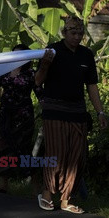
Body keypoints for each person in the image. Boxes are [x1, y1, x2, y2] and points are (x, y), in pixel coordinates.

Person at [35, 17, 107, 214]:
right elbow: (38, 80)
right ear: (64, 33)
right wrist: (45, 65)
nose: (76, 37)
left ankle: (67, 199)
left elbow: (92, 86)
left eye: (79, 34)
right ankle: (47, 193)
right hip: (54, 110)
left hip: (77, 111)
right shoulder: (52, 50)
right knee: (56, 154)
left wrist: (100, 111)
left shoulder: (86, 55)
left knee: (77, 156)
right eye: (72, 33)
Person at [0, 44, 41, 193]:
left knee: (24, 149)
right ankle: (4, 184)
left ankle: (35, 186)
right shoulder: (4, 72)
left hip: (24, 116)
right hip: (5, 115)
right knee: (3, 146)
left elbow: (41, 94)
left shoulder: (31, 74)